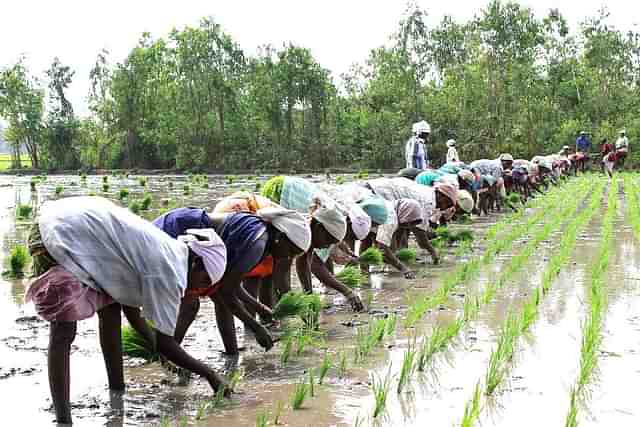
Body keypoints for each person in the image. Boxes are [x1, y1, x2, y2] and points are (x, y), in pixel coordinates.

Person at [26, 197, 229, 424]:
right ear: (196, 262)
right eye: (203, 280)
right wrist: (210, 374)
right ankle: (64, 420)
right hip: (57, 233)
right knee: (63, 331)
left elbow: (129, 308)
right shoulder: (169, 271)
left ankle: (117, 390)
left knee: (111, 308)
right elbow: (166, 343)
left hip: (74, 223)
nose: (199, 289)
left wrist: (156, 349)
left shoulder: (172, 251)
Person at [153, 206, 310, 354]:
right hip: (178, 230)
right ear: (281, 237)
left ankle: (231, 353)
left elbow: (230, 284)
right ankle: (166, 355)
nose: (288, 257)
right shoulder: (257, 245)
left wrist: (259, 307)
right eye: (290, 250)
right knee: (190, 305)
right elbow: (226, 291)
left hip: (187, 230)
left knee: (215, 301)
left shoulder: (262, 235)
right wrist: (256, 327)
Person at [261, 176, 365, 311]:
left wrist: (309, 299)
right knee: (272, 265)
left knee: (279, 265)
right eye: (328, 241)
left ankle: (273, 312)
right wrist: (347, 292)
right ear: (319, 228)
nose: (327, 247)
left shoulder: (320, 226)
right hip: (284, 191)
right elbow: (311, 265)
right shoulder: (304, 228)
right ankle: (270, 313)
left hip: (294, 186)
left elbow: (305, 263)